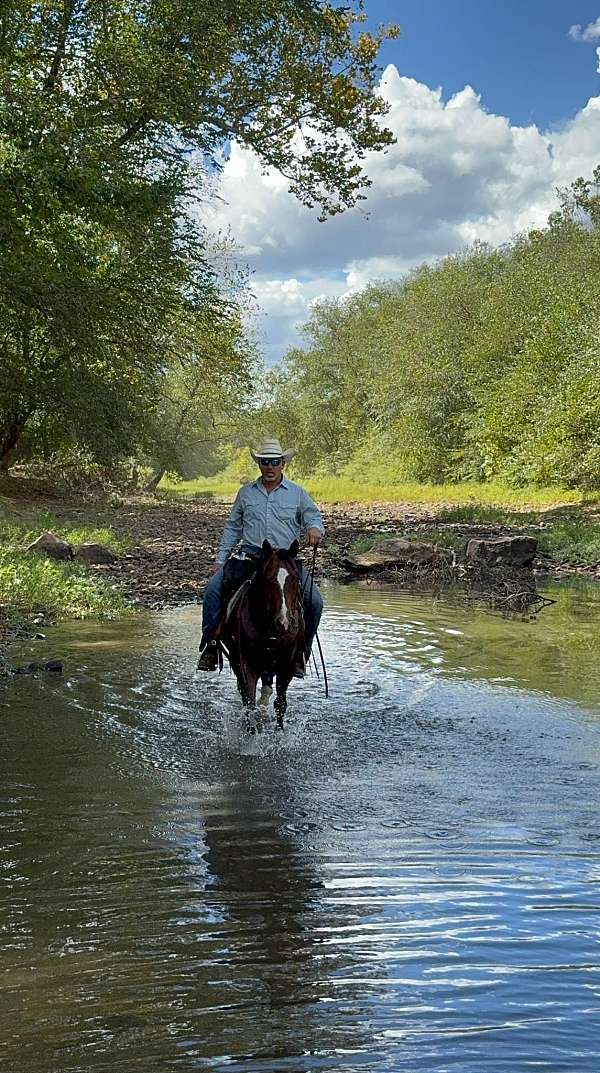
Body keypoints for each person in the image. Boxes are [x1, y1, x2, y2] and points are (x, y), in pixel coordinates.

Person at [197, 438, 324, 674]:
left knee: (315, 602)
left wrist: (315, 529)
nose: (270, 467)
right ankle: (211, 646)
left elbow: (313, 517)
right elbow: (233, 528)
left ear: (283, 464)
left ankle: (300, 654)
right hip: (250, 555)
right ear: (260, 464)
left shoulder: (297, 493)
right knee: (213, 590)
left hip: (285, 559)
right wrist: (220, 561)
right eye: (265, 462)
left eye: (275, 462)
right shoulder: (246, 493)